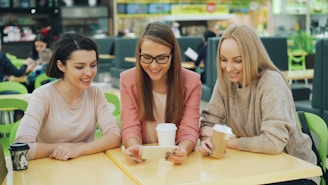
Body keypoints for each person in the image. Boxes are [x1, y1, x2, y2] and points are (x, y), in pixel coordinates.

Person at [198, 24, 320, 185]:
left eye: (237, 60)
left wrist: (225, 141)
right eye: (223, 60)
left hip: (296, 171)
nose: (229, 68)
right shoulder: (226, 83)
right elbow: (208, 122)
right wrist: (207, 139)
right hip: (257, 166)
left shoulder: (271, 82)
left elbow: (273, 143)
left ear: (252, 57)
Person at [15, 32, 121, 161]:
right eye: (79, 67)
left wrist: (78, 150)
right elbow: (20, 148)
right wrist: (65, 147)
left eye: (93, 65)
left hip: (87, 169)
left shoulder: (95, 93)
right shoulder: (43, 95)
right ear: (61, 66)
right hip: (49, 173)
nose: (89, 73)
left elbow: (115, 136)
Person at [120, 22, 202, 165]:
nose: (153, 65)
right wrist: (134, 146)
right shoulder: (128, 80)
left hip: (176, 160)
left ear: (173, 56)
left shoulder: (192, 81)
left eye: (162, 58)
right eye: (146, 57)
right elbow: (130, 125)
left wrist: (182, 150)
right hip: (144, 160)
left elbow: (189, 128)